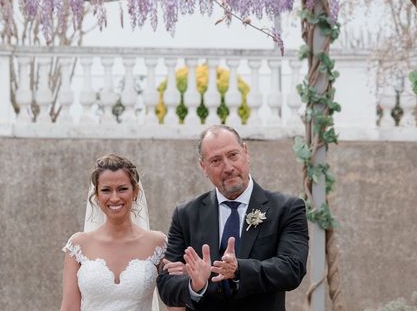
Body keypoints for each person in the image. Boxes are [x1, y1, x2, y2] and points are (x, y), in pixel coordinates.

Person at [157, 125, 309, 310]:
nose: (228, 167)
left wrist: (238, 270)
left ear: (246, 152)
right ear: (203, 167)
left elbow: (292, 269)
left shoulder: (286, 208)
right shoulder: (186, 214)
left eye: (233, 155)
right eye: (216, 160)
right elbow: (166, 284)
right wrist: (195, 285)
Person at [60, 154, 184, 311]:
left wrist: (188, 281)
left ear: (135, 192)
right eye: (106, 190)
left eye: (122, 189)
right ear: (97, 196)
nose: (114, 198)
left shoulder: (157, 243)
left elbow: (175, 306)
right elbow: (69, 307)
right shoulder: (77, 245)